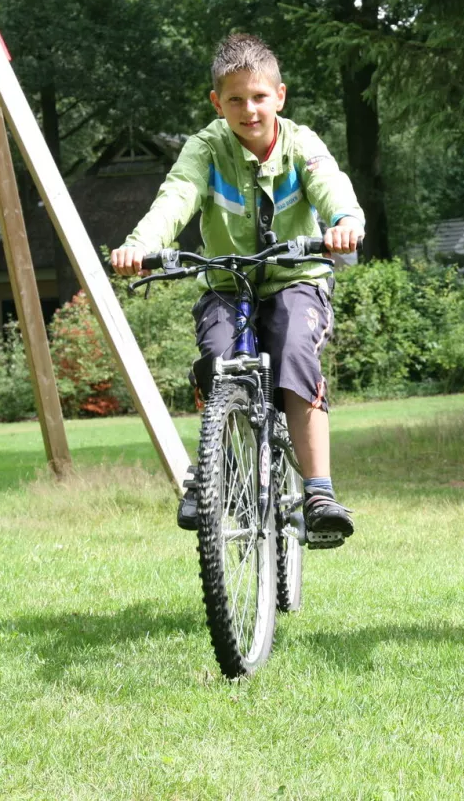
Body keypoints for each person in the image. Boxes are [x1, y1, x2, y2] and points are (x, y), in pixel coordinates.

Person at [112, 33, 363, 546]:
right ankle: (213, 475)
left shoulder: (301, 144)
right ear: (216, 103)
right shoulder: (205, 148)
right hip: (228, 283)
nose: (248, 110)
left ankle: (318, 491)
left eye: (259, 97)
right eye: (235, 100)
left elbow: (330, 183)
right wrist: (140, 245)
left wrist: (343, 221)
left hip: (297, 278)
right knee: (217, 358)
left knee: (295, 350)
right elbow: (176, 196)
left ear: (280, 96)